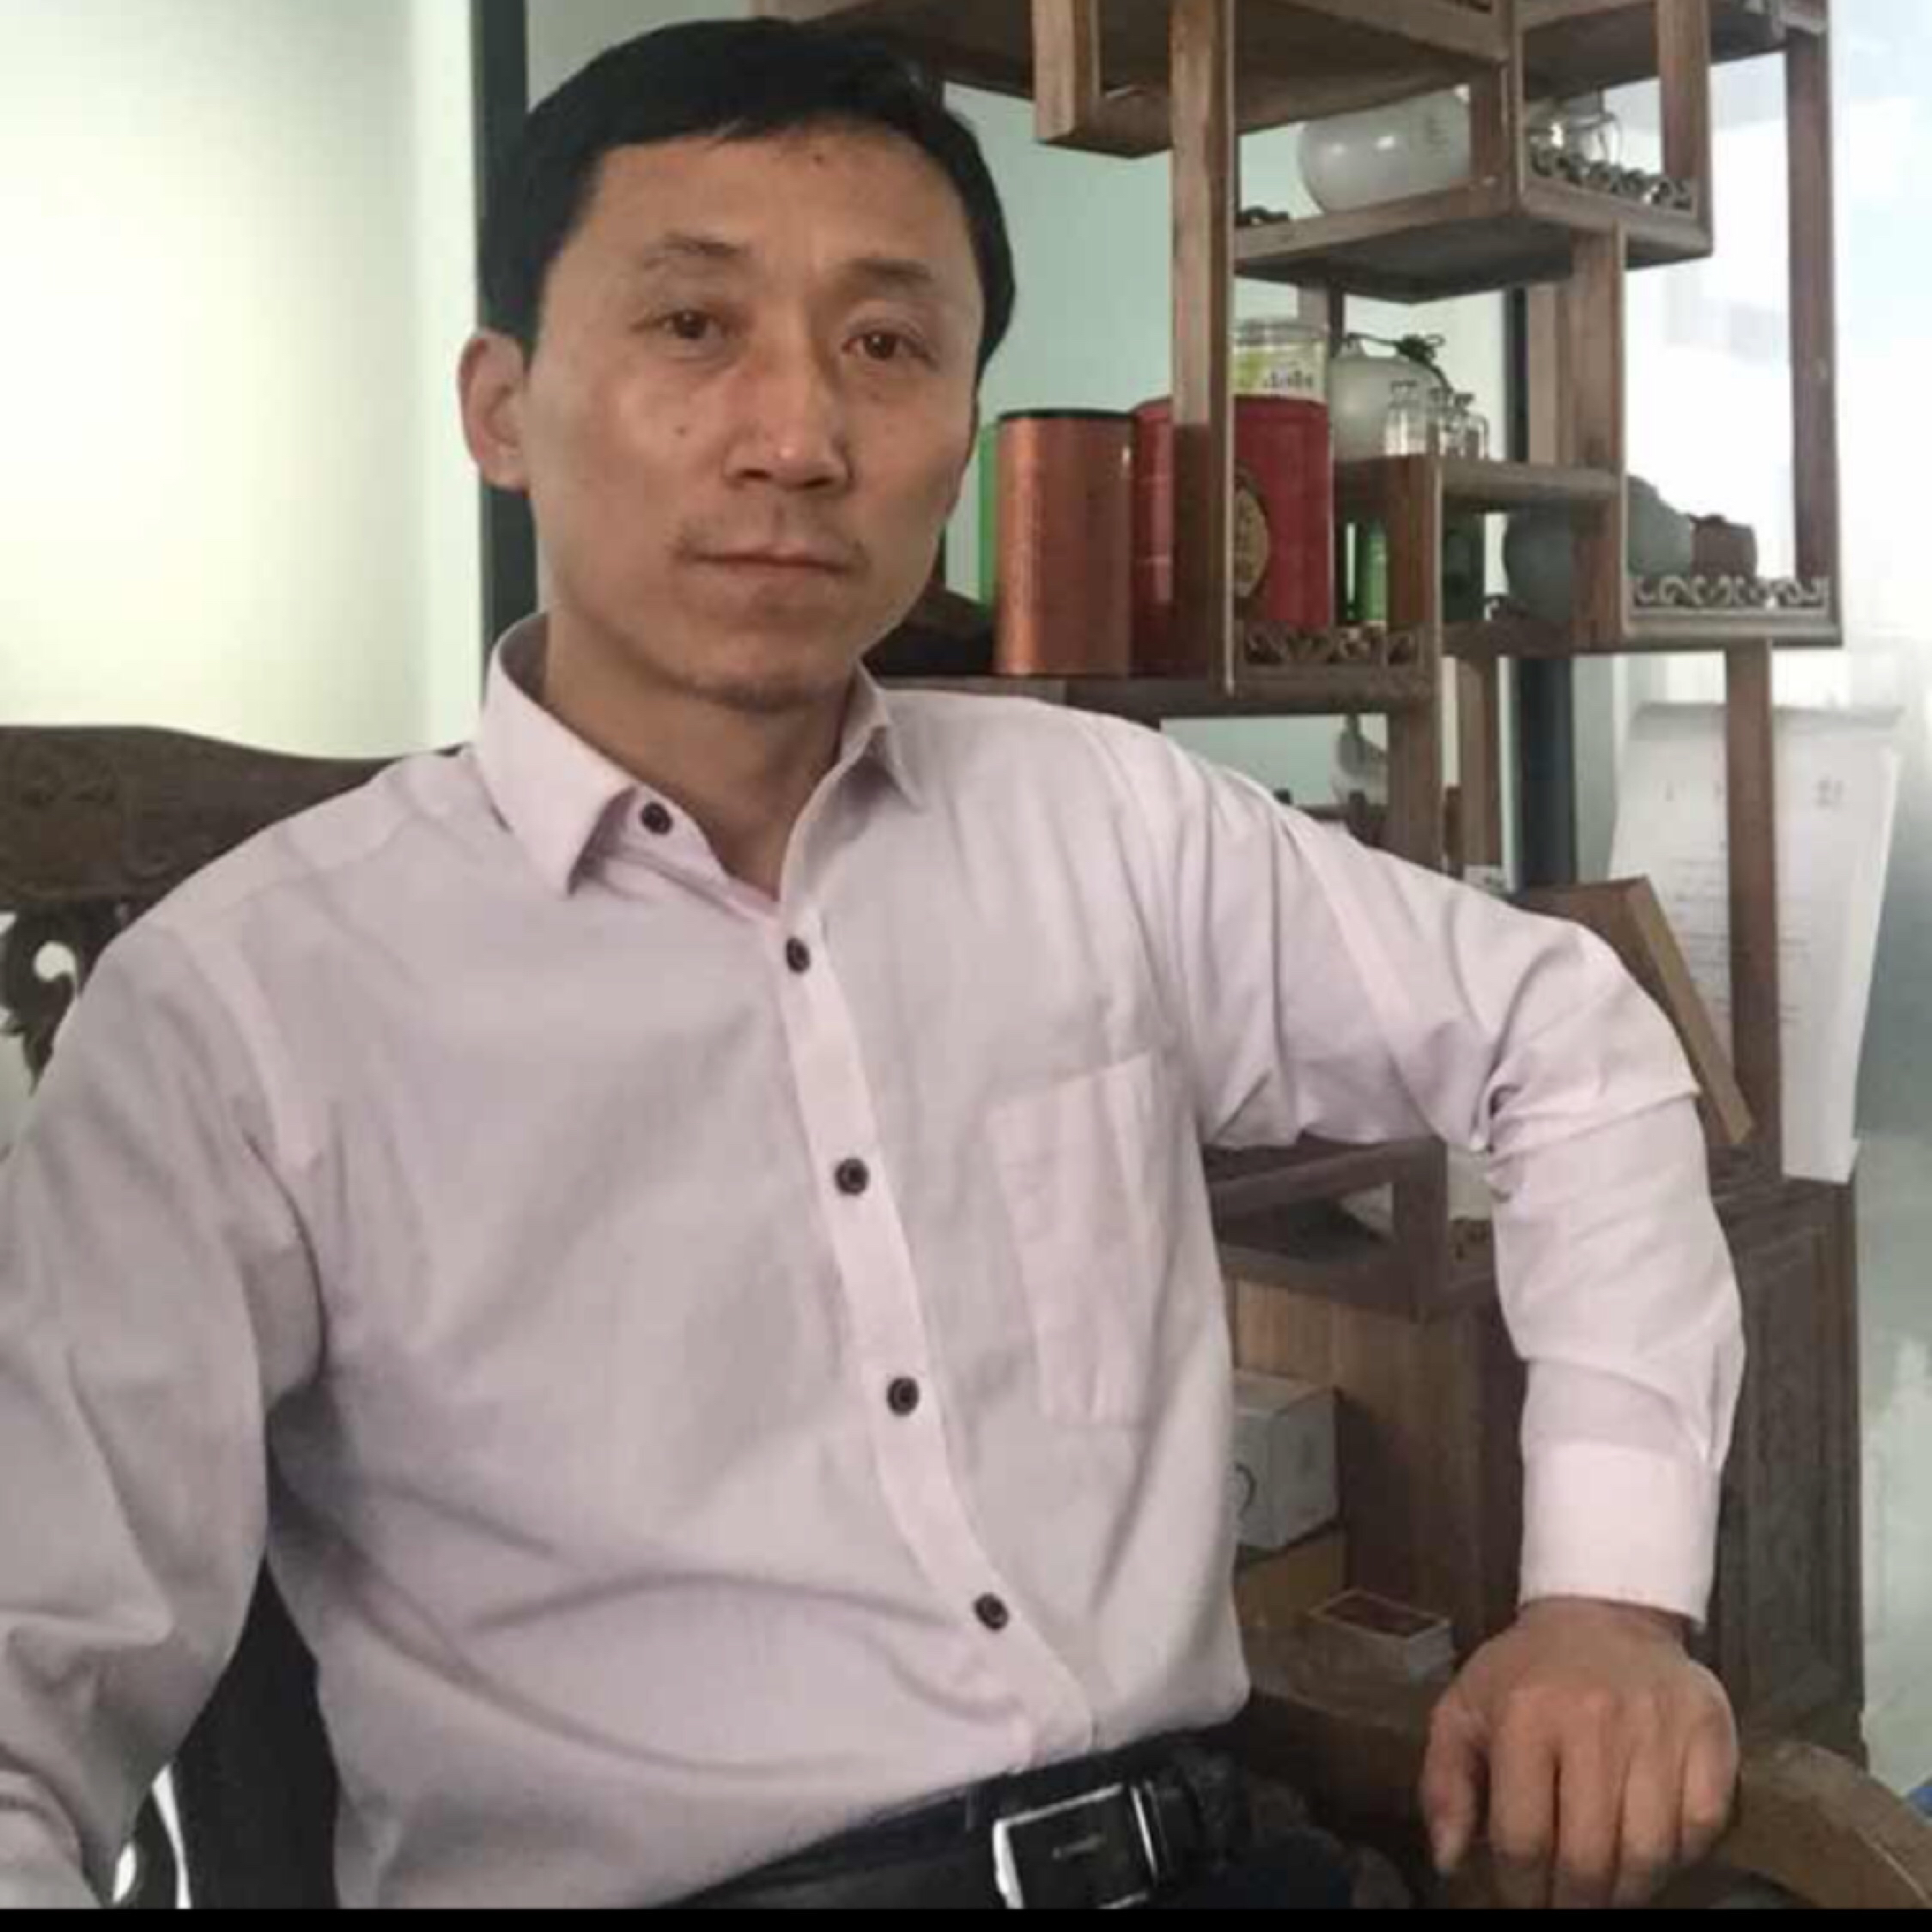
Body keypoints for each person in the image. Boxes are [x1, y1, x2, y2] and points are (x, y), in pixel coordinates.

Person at [0, 19, 1741, 1911]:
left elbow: (1569, 1033)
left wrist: (1607, 1599)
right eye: (693, 326)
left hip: (1206, 1858)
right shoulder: (246, 1007)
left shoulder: (1103, 820)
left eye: (888, 347)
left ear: (961, 435)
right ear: (500, 407)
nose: (798, 439)